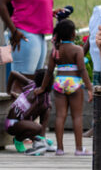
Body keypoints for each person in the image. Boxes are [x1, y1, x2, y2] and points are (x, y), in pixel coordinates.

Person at [37, 20, 93, 156]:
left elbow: (49, 71)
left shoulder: (55, 51)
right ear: (73, 34)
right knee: (77, 117)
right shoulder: (77, 50)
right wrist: (89, 88)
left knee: (60, 116)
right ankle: (79, 149)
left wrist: (42, 88)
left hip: (59, 82)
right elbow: (82, 70)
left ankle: (60, 149)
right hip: (74, 82)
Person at [5, 69, 54, 156]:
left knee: (47, 109)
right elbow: (26, 115)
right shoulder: (37, 96)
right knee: (38, 127)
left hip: (22, 120)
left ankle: (41, 139)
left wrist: (9, 90)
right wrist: (35, 105)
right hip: (12, 124)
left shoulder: (32, 84)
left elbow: (13, 73)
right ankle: (18, 140)